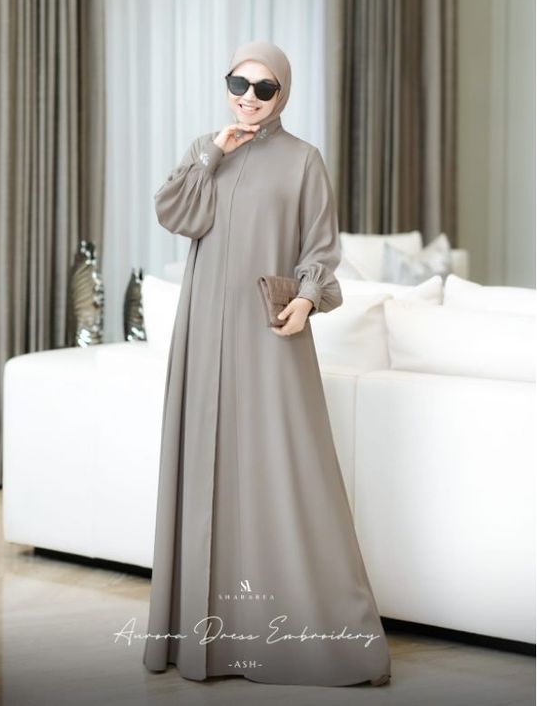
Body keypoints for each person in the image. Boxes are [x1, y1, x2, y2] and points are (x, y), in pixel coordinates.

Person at [143, 40, 391, 687]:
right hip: (203, 332)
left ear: (283, 93)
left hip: (271, 330)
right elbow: (176, 213)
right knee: (205, 465)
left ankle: (326, 638)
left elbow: (321, 248)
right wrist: (211, 154)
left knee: (286, 467)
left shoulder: (304, 160)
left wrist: (306, 301)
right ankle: (209, 643)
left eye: (263, 88)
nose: (248, 98)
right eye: (238, 84)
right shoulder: (209, 149)